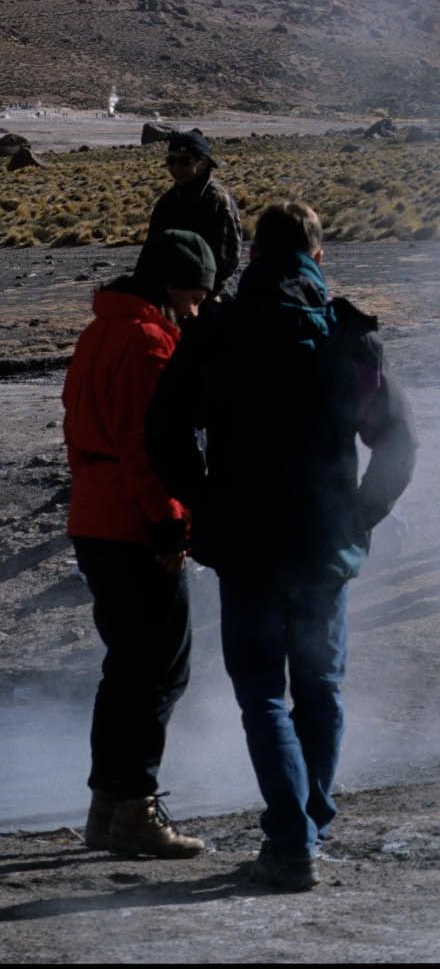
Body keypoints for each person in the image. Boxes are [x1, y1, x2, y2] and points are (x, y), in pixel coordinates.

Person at [147, 201, 416, 890]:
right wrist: (361, 515)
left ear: (254, 256)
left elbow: (165, 426)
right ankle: (310, 828)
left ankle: (293, 841)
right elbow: (397, 440)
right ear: (318, 258)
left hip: (245, 545)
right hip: (323, 544)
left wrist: (202, 499)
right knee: (319, 690)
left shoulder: (220, 331)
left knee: (264, 693)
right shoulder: (348, 335)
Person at [63, 228, 216, 860]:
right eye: (196, 294)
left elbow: (83, 427)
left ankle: (108, 806)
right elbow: (147, 448)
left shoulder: (100, 331)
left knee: (126, 666)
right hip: (131, 522)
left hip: (94, 517)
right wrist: (170, 525)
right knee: (161, 668)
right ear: (174, 284)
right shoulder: (148, 342)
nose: (198, 309)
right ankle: (135, 809)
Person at [146, 129, 243, 301]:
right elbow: (151, 250)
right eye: (171, 160)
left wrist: (198, 293)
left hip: (210, 293)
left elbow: (228, 259)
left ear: (203, 163)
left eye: (184, 161)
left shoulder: (218, 200)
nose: (175, 168)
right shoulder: (167, 202)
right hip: (171, 294)